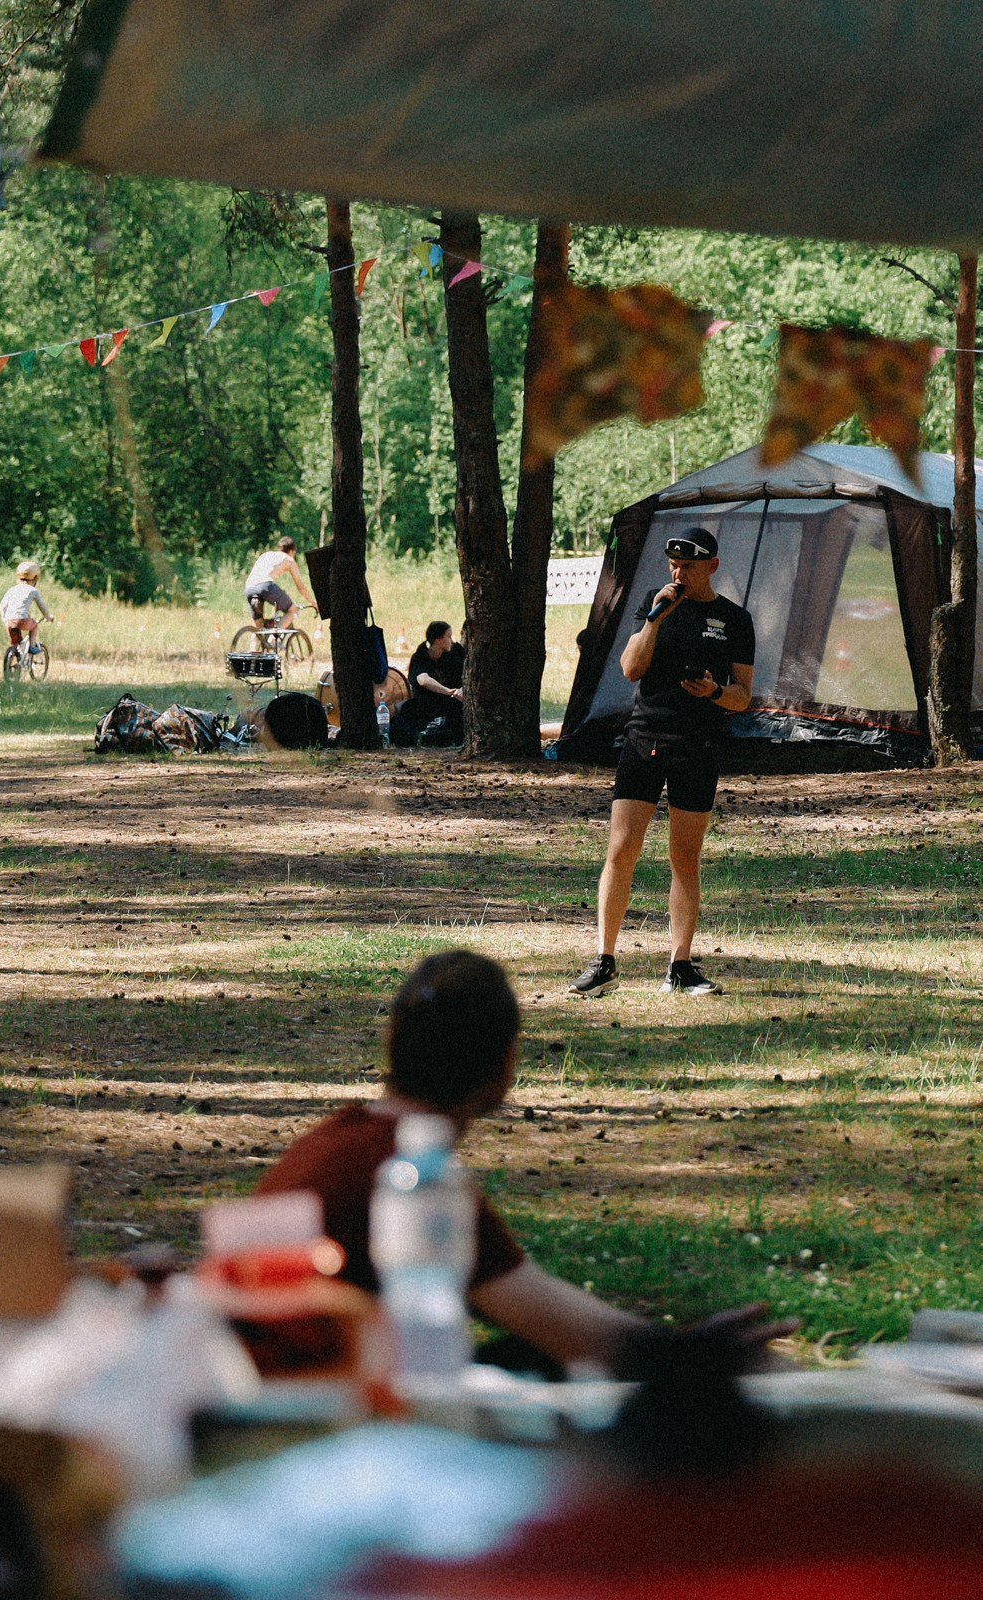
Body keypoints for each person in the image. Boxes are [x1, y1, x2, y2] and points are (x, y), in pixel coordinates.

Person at [256, 949, 789, 1373]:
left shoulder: (337, 1143)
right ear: (505, 1064)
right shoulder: (410, 1178)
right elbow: (572, 1333)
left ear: (393, 1045)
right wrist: (693, 1356)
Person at [568, 527, 754, 998]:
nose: (679, 573)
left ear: (712, 565)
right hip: (644, 740)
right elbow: (630, 669)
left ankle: (681, 965)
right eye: (674, 564)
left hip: (698, 746)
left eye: (689, 566)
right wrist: (654, 620)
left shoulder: (734, 620)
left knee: (683, 860)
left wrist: (713, 691)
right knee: (621, 851)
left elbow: (743, 697)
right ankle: (605, 960)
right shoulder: (655, 602)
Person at [389, 620, 465, 748]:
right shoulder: (420, 657)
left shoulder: (455, 653)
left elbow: (467, 676)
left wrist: (462, 690)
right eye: (448, 637)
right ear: (438, 640)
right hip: (427, 702)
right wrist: (449, 691)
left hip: (451, 702)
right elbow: (423, 680)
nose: (451, 640)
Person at [245, 536, 314, 626]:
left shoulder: (266, 555)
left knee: (259, 626)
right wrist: (312, 602)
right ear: (292, 551)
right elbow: (300, 586)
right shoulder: (289, 559)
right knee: (292, 610)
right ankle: (274, 639)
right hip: (265, 586)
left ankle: (255, 640)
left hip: (249, 588)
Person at [1, 562, 57, 651]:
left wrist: (5, 619)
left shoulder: (11, 590)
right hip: (22, 620)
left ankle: (11, 659)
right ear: (35, 577)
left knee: (15, 646)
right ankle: (32, 646)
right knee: (34, 625)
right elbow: (42, 606)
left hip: (9, 622)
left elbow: (3, 605)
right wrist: (48, 617)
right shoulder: (33, 591)